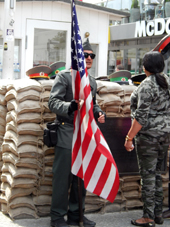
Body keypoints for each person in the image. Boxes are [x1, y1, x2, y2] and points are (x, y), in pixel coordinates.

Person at [48, 38, 105, 227]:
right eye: (85, 55)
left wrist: (99, 112)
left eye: (92, 56)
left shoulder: (91, 81)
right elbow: (53, 103)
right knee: (63, 177)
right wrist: (70, 105)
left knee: (81, 176)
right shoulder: (64, 77)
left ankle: (76, 214)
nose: (89, 58)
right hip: (66, 130)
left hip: (84, 133)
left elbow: (93, 104)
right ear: (77, 56)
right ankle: (57, 216)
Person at [124, 51, 170, 227]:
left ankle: (148, 216)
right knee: (157, 174)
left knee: (148, 176)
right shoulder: (167, 81)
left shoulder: (146, 86)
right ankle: (158, 214)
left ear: (145, 67)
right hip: (164, 135)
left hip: (148, 137)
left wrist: (129, 138)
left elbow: (141, 118)